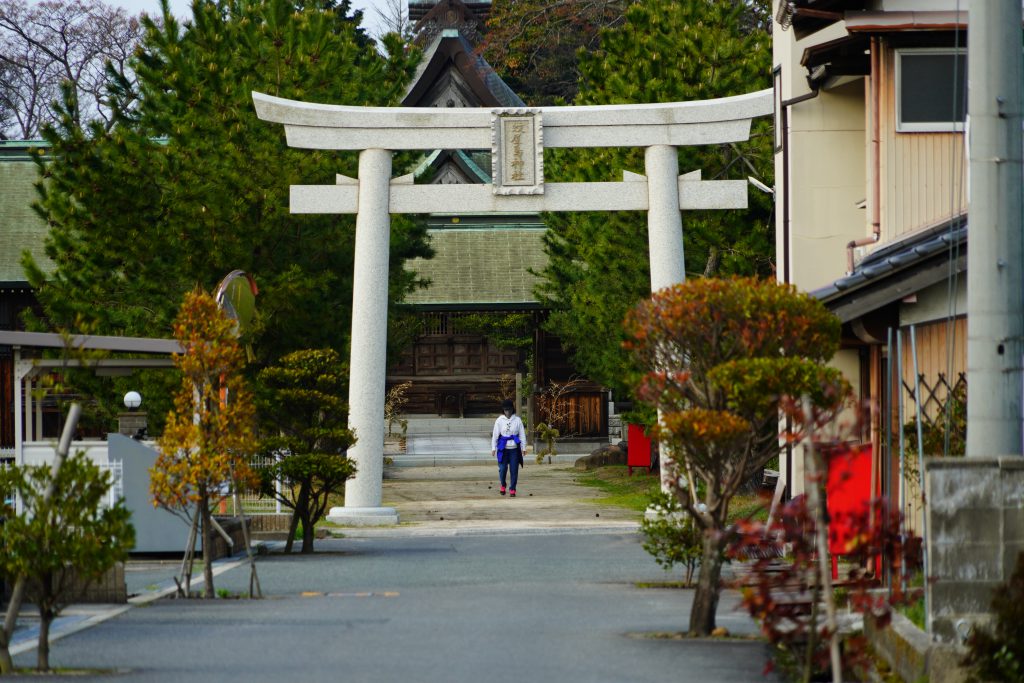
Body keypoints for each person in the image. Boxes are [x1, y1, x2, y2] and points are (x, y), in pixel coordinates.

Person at [491, 398, 526, 497]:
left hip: (514, 449)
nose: (508, 412)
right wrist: (493, 448)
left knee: (514, 469)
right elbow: (495, 435)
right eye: (506, 410)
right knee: (502, 469)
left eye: (509, 409)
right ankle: (503, 484)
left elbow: (522, 435)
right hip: (503, 448)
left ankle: (512, 489)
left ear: (512, 409)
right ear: (503, 410)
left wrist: (523, 448)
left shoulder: (517, 420)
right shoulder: (499, 420)